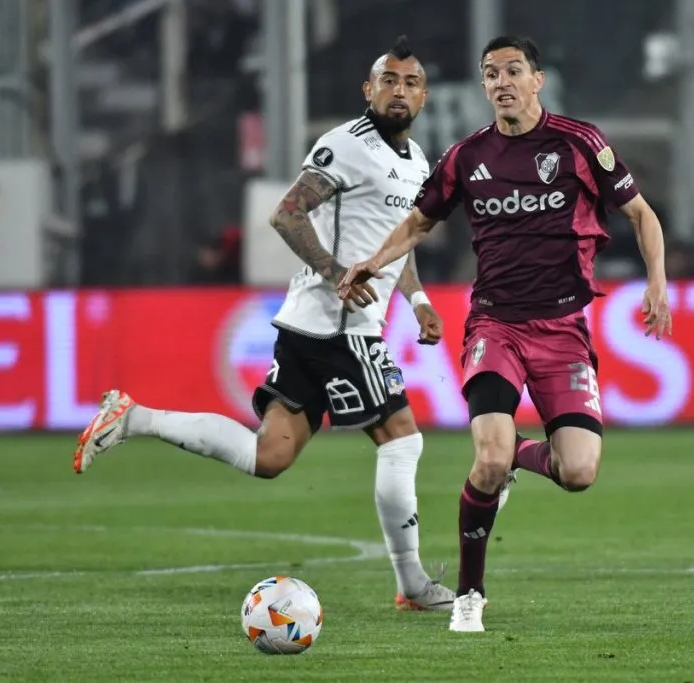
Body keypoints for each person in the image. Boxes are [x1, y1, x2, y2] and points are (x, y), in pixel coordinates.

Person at [73, 36, 456, 613]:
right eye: (388, 80)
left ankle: (135, 418)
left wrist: (419, 297)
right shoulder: (345, 146)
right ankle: (413, 587)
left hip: (317, 325)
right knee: (401, 438)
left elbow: (395, 242)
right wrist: (334, 274)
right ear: (368, 90)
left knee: (269, 457)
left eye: (409, 82)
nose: (398, 91)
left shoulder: (417, 160)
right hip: (337, 325)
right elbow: (287, 213)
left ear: (423, 96)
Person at [339, 36, 672, 633]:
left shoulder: (579, 143)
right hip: (495, 325)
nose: (501, 82)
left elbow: (641, 214)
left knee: (578, 473)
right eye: (490, 74)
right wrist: (371, 262)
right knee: (485, 461)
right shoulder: (467, 157)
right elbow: (417, 221)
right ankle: (470, 593)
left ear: (537, 80)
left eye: (513, 71)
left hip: (564, 332)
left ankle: (519, 457)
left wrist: (657, 283)